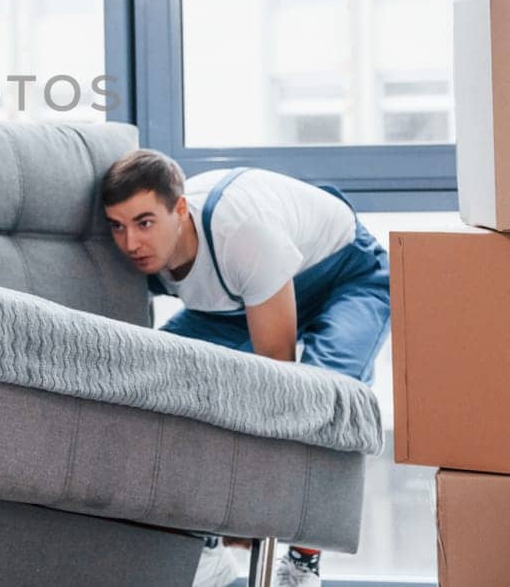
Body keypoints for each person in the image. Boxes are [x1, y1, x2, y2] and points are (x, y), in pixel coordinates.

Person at [100, 150, 391, 587]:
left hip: (344, 275)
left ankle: (302, 563)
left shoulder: (241, 234)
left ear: (179, 209)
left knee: (324, 395)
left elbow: (278, 383)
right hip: (237, 301)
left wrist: (257, 506)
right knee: (152, 381)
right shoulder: (138, 255)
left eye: (145, 222)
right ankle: (203, 539)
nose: (131, 244)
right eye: (118, 227)